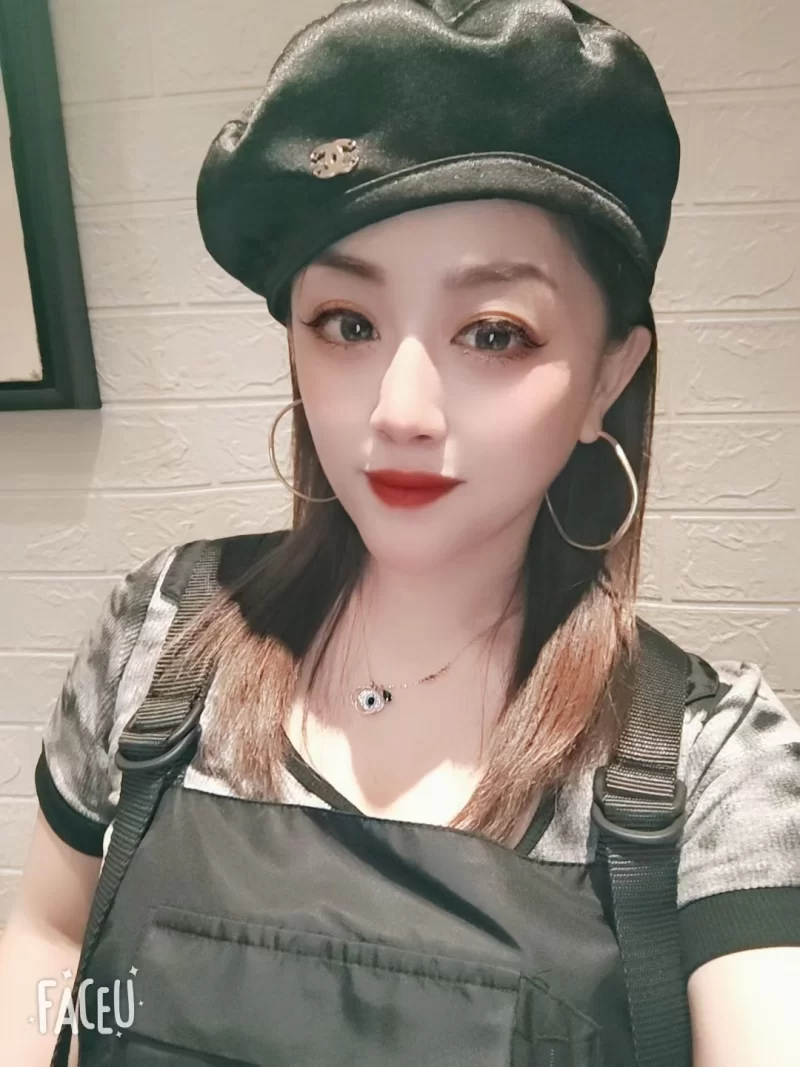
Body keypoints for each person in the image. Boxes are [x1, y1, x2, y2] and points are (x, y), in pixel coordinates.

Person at [1, 1, 798, 1065]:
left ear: (609, 374)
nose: (400, 409)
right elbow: (52, 933)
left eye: (492, 333)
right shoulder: (160, 635)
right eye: (348, 324)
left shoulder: (707, 763)